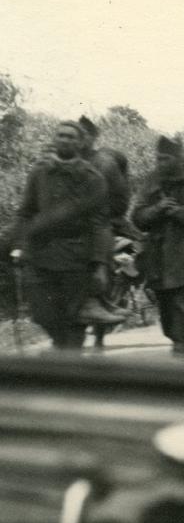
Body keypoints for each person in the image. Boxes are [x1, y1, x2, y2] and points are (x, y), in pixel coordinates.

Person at [11, 120, 112, 351]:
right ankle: (62, 347)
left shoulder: (92, 177)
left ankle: (70, 362)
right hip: (40, 254)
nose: (65, 140)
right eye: (61, 135)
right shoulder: (39, 172)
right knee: (42, 313)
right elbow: (25, 212)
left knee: (74, 316)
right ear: (54, 139)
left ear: (81, 143)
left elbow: (100, 224)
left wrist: (100, 264)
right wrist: (18, 245)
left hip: (76, 257)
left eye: (71, 137)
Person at [133, 136, 184, 357]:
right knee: (167, 310)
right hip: (159, 258)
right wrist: (158, 208)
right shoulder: (150, 184)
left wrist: (177, 211)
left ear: (178, 159)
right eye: (158, 159)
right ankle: (179, 343)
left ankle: (182, 346)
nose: (161, 163)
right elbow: (137, 217)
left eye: (166, 158)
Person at [77, 115, 135, 346]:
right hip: (70, 226)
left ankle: (99, 334)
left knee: (104, 269)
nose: (79, 141)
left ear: (93, 138)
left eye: (84, 136)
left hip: (101, 224)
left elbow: (121, 201)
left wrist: (98, 215)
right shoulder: (65, 161)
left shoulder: (105, 163)